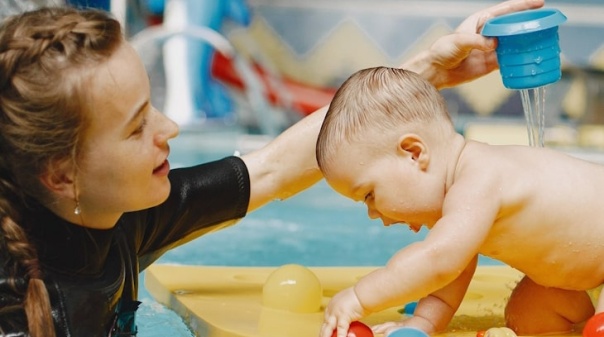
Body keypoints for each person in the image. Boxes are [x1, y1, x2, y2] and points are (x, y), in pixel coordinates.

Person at [0, 0, 544, 336]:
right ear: (63, 175)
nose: (171, 128)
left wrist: (424, 73)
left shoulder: (122, 216)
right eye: (138, 125)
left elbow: (274, 168)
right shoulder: (13, 294)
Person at [316, 66, 604, 337]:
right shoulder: (462, 207)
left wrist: (359, 296)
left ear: (414, 153)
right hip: (584, 271)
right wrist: (423, 323)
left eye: (370, 195)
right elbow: (450, 275)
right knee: (526, 314)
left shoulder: (480, 178)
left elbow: (437, 261)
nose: (371, 213)